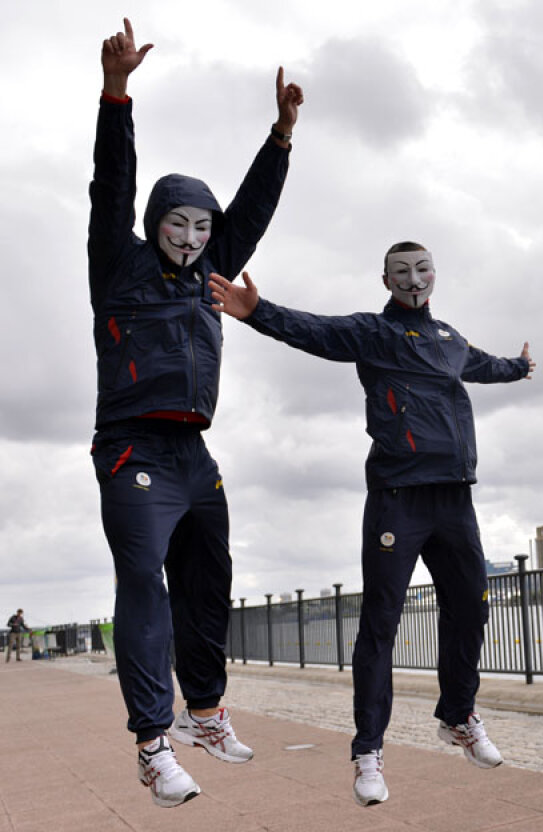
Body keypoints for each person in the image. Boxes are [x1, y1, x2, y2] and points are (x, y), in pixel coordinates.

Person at [208, 243, 534, 807]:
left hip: (455, 499)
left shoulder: (450, 339)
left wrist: (521, 367)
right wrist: (257, 312)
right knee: (380, 625)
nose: (414, 278)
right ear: (385, 279)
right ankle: (368, 753)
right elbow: (313, 329)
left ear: (436, 275)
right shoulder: (372, 333)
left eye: (423, 268)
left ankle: (458, 716)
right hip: (397, 499)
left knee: (473, 607)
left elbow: (485, 365)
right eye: (402, 271)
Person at [87, 18, 303, 808]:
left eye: (201, 228)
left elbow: (252, 212)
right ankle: (152, 743)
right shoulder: (118, 265)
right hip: (132, 449)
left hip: (194, 456)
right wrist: (117, 95)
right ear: (155, 226)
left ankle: (204, 714)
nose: (189, 237)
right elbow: (112, 184)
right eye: (177, 224)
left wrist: (281, 135)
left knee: (210, 579)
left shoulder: (211, 272)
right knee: (146, 581)